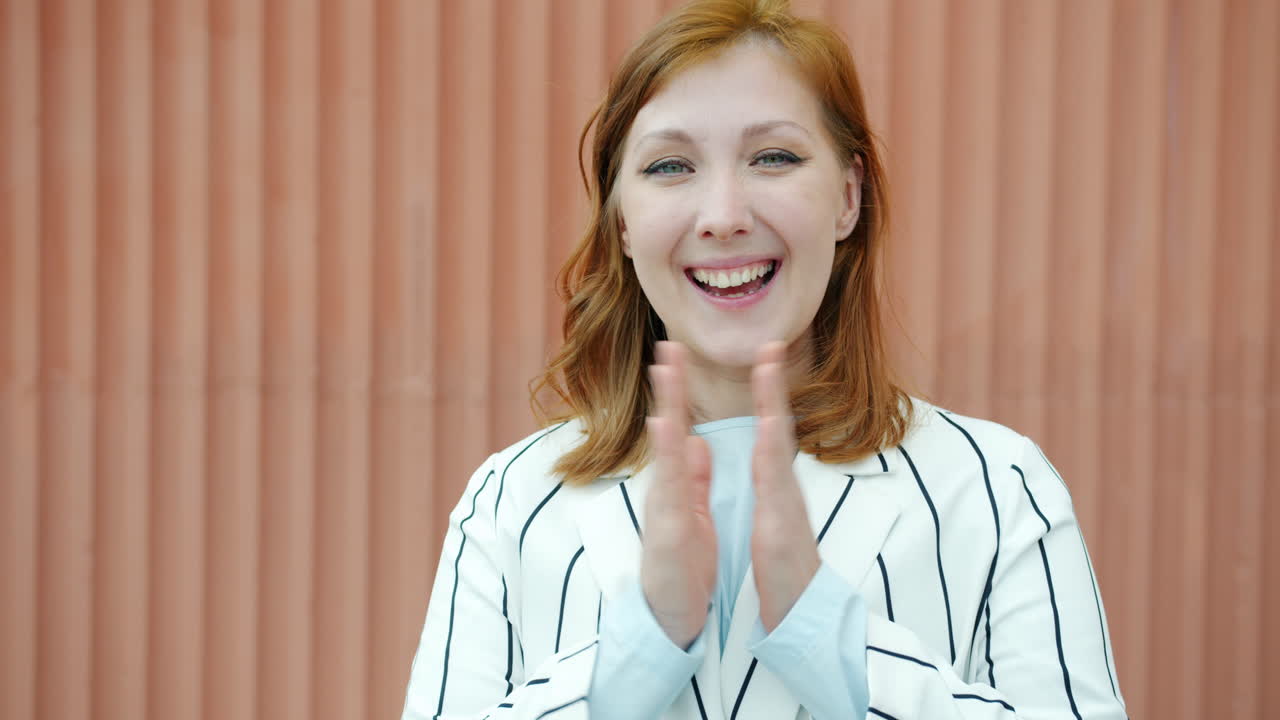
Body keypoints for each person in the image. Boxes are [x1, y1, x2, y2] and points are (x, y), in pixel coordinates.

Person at [401, 1, 1127, 718]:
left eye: (773, 157)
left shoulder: (998, 491)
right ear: (622, 222)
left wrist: (825, 635)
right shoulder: (509, 504)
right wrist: (639, 652)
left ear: (848, 196)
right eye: (670, 165)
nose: (723, 214)